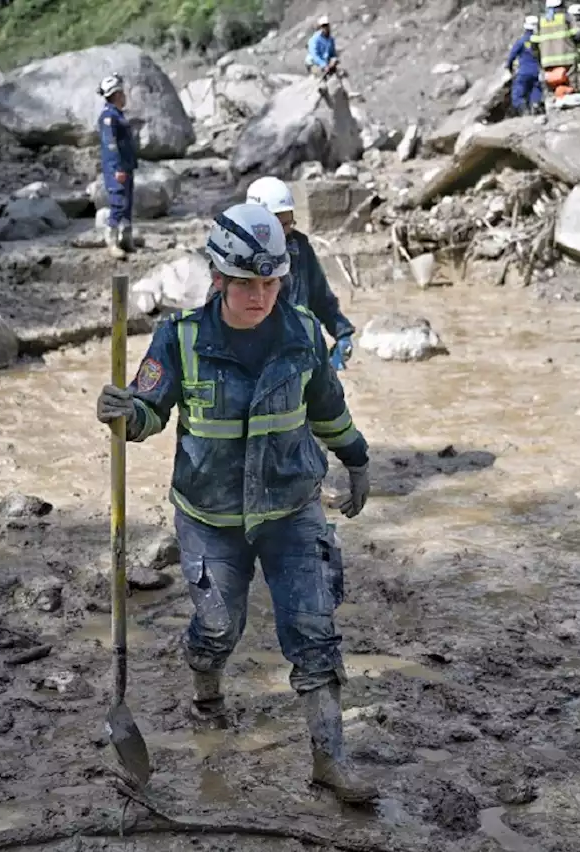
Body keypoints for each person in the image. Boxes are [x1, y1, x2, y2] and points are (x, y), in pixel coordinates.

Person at [95, 202, 377, 805]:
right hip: (210, 519)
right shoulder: (181, 338)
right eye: (247, 283)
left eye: (271, 282)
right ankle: (206, 686)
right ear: (218, 278)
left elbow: (327, 405)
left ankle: (330, 760)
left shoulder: (301, 331)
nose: (260, 295)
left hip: (292, 510)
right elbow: (148, 410)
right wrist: (125, 415)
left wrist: (355, 457)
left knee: (313, 627)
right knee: (221, 625)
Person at [245, 176, 357, 371]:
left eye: (290, 223)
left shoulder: (300, 248)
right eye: (281, 225)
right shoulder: (236, 256)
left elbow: (320, 297)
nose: (287, 231)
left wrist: (342, 333)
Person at [97, 74, 136, 259]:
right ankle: (111, 242)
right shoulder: (109, 117)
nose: (125, 95)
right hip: (117, 169)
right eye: (122, 92)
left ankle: (126, 239)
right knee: (118, 203)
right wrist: (118, 168)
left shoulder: (118, 115)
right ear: (117, 94)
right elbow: (111, 146)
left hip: (127, 166)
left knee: (127, 204)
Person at [533, 0, 580, 101]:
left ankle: (552, 105)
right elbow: (577, 37)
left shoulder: (541, 21)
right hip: (567, 59)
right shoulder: (567, 18)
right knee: (571, 85)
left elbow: (534, 43)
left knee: (551, 86)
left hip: (547, 61)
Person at [506, 15, 545, 118]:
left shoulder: (521, 41)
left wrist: (509, 67)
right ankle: (535, 106)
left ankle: (524, 112)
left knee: (517, 94)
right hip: (536, 72)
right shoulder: (540, 41)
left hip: (523, 72)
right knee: (535, 90)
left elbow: (512, 56)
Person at [307, 15, 340, 79]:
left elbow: (333, 53)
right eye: (323, 26)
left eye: (326, 25)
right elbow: (314, 55)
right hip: (313, 64)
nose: (325, 28)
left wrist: (334, 59)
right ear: (320, 27)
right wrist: (323, 65)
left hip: (326, 62)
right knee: (323, 78)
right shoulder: (314, 39)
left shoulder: (331, 39)